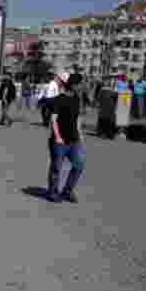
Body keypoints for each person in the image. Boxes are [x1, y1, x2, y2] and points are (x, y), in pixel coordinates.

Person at [46, 72, 85, 204]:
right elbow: (53, 119)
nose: (81, 86)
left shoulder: (76, 99)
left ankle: (67, 190)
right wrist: (57, 137)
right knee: (56, 167)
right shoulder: (59, 99)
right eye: (79, 84)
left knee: (79, 164)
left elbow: (78, 118)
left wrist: (80, 134)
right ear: (73, 85)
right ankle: (53, 192)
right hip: (60, 141)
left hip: (74, 140)